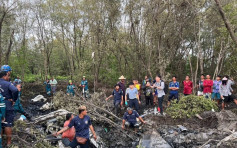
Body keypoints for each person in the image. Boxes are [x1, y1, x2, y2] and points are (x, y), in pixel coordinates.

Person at [0, 65, 18, 146]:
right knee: (8, 124)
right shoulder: (7, 83)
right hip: (7, 104)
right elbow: (15, 90)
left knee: (0, 123)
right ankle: (8, 143)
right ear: (7, 73)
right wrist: (14, 100)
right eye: (9, 74)